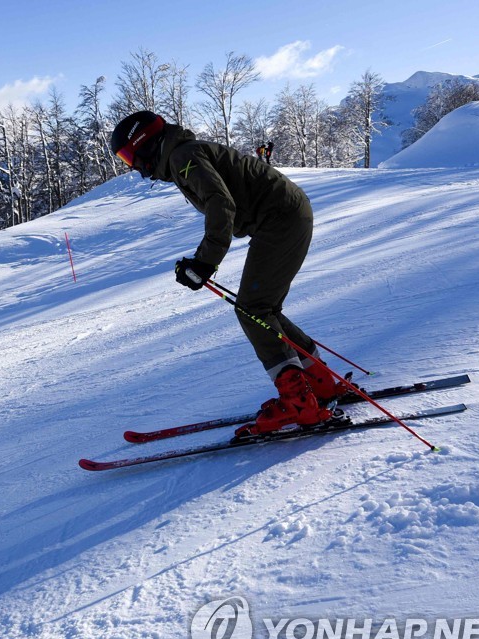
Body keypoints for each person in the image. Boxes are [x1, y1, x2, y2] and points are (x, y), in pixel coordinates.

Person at [109, 111, 346, 435]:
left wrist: (205, 262)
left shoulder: (182, 156)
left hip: (281, 219)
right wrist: (201, 261)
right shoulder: (184, 154)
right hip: (286, 215)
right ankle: (320, 385)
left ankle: (299, 404)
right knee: (263, 309)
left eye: (128, 157)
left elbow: (221, 204)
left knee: (252, 309)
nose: (133, 167)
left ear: (145, 145)